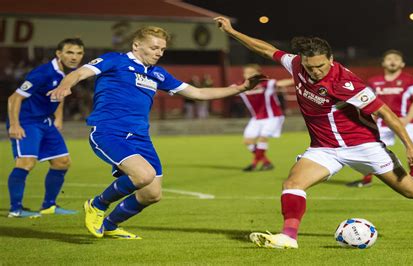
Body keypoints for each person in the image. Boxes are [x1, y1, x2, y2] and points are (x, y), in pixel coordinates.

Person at [214, 16, 413, 249]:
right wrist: (232, 31)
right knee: (293, 183)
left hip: (364, 146)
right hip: (324, 149)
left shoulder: (344, 84)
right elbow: (266, 49)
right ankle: (288, 237)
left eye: (321, 66)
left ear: (331, 59)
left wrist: (412, 147)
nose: (316, 71)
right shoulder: (296, 65)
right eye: (311, 67)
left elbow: (386, 114)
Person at [47, 26, 266, 239]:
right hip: (109, 132)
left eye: (162, 49)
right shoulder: (115, 60)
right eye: (154, 48)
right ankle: (97, 205)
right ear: (136, 45)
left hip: (141, 137)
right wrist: (65, 86)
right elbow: (79, 73)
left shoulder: (157, 74)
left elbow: (197, 92)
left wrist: (240, 88)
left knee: (152, 194)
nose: (159, 53)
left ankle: (109, 225)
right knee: (143, 175)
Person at [6, 38, 85, 218]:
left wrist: (59, 118)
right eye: (70, 52)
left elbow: (60, 94)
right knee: (26, 163)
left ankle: (49, 206)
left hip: (45, 122)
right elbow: (14, 98)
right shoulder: (43, 73)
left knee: (62, 162)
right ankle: (15, 210)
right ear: (59, 54)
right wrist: (15, 124)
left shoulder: (69, 73)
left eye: (79, 53)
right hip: (27, 121)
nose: (74, 57)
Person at [347, 50, 413, 187]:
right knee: (370, 149)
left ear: (402, 63)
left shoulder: (412, 80)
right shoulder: (373, 81)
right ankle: (366, 180)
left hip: (406, 121)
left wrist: (407, 118)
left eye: (396, 58)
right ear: (383, 63)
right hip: (381, 123)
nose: (392, 61)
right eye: (389, 59)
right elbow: (366, 103)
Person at [239, 64, 293, 171]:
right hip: (256, 118)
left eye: (251, 73)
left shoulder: (266, 84)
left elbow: (281, 83)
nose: (248, 75)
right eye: (246, 73)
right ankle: (266, 163)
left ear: (258, 74)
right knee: (247, 141)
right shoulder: (241, 86)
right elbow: (226, 90)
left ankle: (254, 164)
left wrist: (296, 79)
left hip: (272, 116)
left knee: (262, 138)